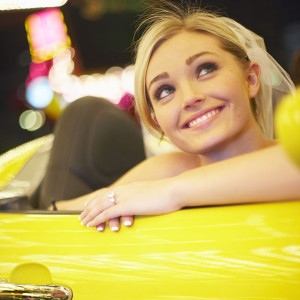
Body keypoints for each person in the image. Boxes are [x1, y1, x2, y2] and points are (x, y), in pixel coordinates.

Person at [62, 2, 300, 232]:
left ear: (251, 79)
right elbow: (61, 213)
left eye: (205, 69)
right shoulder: (166, 169)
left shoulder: (168, 183)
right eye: (165, 91)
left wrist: (171, 192)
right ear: (156, 121)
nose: (189, 98)